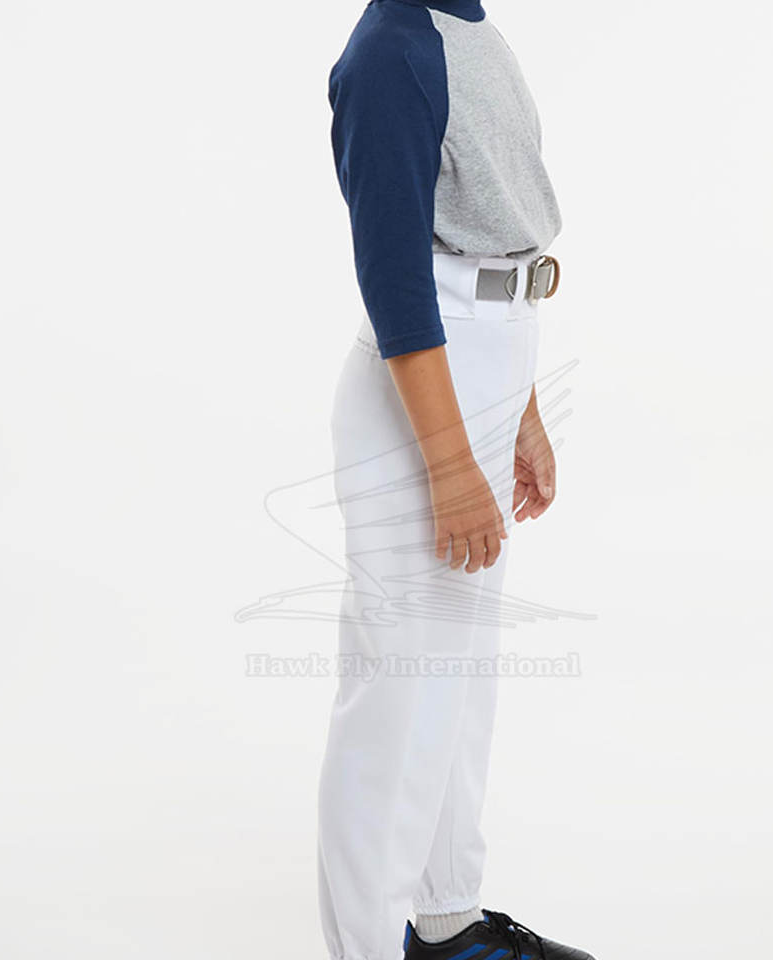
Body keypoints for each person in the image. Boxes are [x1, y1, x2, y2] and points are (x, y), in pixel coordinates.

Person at [319, 2, 595, 958]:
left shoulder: (470, 31)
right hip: (424, 379)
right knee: (397, 693)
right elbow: (396, 275)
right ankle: (365, 946)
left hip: (488, 360)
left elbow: (490, 226)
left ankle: (445, 925)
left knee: (459, 682)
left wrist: (520, 411)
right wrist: (449, 462)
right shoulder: (391, 52)